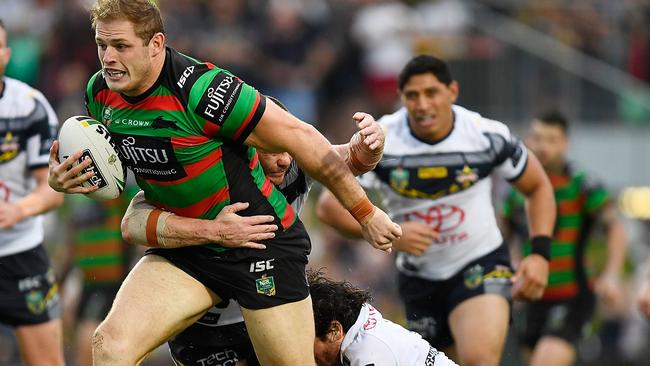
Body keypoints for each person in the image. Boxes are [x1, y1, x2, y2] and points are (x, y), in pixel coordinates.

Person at [47, 1, 401, 365]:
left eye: (121, 46)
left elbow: (302, 138)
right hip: (191, 249)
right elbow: (120, 168)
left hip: (258, 242)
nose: (108, 57)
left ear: (155, 44)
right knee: (109, 347)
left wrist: (366, 212)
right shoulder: (99, 93)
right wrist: (65, 178)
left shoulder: (203, 89)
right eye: (101, 45)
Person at [316, 54, 556, 366]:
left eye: (432, 93)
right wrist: (393, 233)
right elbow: (328, 207)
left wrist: (539, 253)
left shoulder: (486, 136)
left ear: (452, 92)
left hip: (479, 262)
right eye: (412, 95)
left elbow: (538, 186)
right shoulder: (381, 139)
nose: (422, 104)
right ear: (401, 98)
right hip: (419, 275)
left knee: (479, 359)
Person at [119, 96, 385, 365]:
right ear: (248, 144)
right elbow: (131, 223)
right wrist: (212, 230)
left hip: (266, 309)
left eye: (288, 149)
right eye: (272, 149)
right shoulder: (206, 176)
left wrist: (371, 145)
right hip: (204, 329)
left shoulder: (296, 167)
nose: (284, 161)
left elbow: (348, 158)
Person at [501, 110, 627, 366]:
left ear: (565, 143)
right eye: (538, 137)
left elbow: (615, 228)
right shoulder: (517, 191)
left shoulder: (582, 184)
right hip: (531, 296)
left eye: (552, 139)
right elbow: (501, 234)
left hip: (572, 295)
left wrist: (612, 274)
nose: (543, 146)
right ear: (528, 140)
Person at [0, 18, 65, 366]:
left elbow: (52, 192)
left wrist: (18, 211)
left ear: (7, 54)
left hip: (19, 252)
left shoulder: (29, 106)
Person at [308, 270, 457, 366]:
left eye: (307, 344)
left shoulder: (369, 354)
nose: (303, 352)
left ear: (335, 331)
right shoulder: (361, 328)